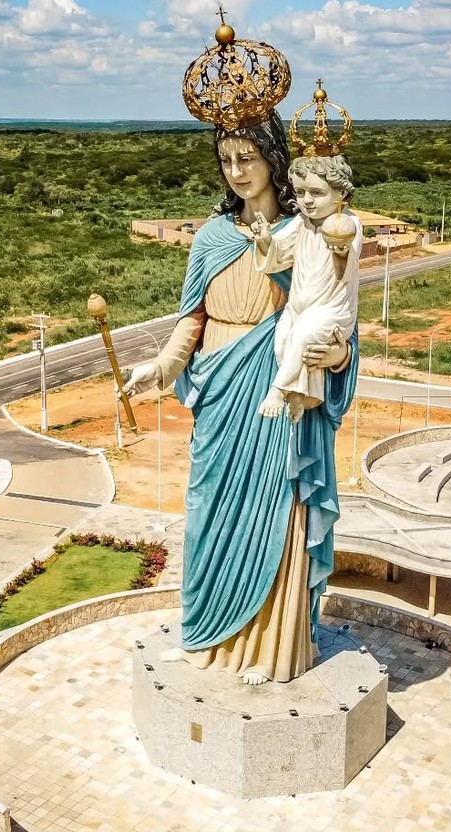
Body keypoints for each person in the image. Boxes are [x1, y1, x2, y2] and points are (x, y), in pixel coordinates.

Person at [124, 26, 359, 686]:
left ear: (271, 155)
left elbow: (331, 312)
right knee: (208, 514)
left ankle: (270, 648)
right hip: (221, 392)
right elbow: (191, 320)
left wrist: (337, 353)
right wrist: (162, 367)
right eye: (226, 158)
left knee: (276, 516)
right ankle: (206, 636)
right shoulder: (208, 237)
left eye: (246, 155)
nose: (236, 169)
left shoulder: (307, 230)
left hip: (278, 389)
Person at [253, 155, 362, 424]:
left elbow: (348, 265)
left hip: (332, 309)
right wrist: (267, 241)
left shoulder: (347, 223)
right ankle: (302, 394)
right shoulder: (301, 222)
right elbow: (280, 252)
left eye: (316, 192)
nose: (307, 200)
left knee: (302, 337)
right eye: (300, 192)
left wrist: (341, 252)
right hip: (300, 305)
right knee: (283, 343)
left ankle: (278, 392)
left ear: (342, 193)